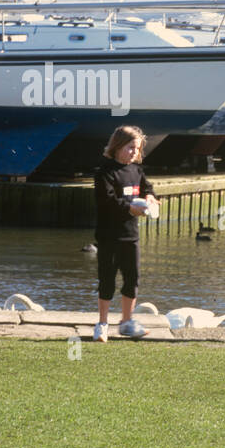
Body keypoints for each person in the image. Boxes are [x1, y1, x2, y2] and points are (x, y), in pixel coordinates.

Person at [92, 125, 157, 341]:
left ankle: (127, 322)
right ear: (117, 146)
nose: (134, 153)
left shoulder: (136, 171)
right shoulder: (105, 172)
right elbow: (107, 201)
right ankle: (102, 323)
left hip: (131, 236)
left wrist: (149, 198)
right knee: (107, 280)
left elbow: (148, 188)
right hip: (109, 236)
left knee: (132, 278)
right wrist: (130, 208)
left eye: (137, 149)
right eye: (130, 148)